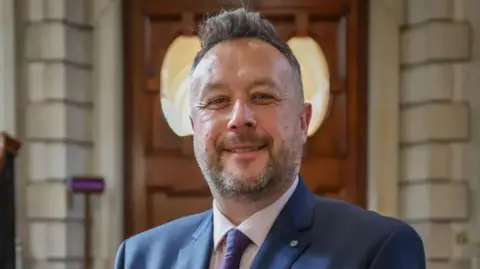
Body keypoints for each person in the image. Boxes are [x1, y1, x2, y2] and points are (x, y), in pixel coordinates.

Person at [114, 8, 426, 269]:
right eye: (218, 101)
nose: (239, 118)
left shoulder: (377, 250)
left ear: (303, 122)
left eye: (263, 96)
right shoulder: (140, 258)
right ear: (195, 127)